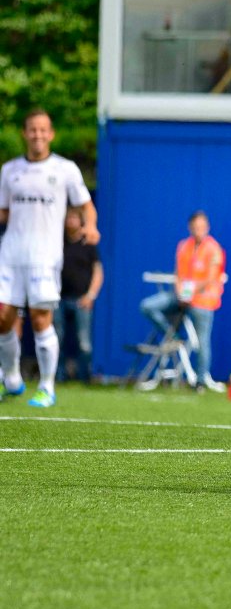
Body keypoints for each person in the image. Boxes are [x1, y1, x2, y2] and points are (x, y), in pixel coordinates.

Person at [0, 109, 99, 408]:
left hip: (44, 255)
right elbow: (4, 212)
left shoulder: (65, 169)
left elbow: (86, 206)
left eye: (43, 130)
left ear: (51, 134)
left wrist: (91, 226)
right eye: (32, 129)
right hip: (11, 252)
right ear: (24, 133)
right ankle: (13, 378)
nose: (38, 135)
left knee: (40, 318)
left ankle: (46, 386)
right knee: (3, 318)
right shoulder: (10, 170)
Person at [140, 211, 226, 393]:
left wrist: (190, 294)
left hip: (203, 301)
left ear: (207, 228)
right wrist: (181, 292)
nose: (198, 231)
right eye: (195, 227)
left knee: (202, 341)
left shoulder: (214, 249)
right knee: (148, 306)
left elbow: (210, 278)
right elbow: (179, 274)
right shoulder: (183, 246)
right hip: (180, 297)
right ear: (190, 228)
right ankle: (174, 337)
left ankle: (201, 380)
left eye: (201, 227)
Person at [54, 209, 103, 382]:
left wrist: (90, 295)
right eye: (68, 218)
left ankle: (85, 379)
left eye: (75, 218)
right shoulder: (57, 242)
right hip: (58, 299)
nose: (71, 222)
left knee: (84, 343)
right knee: (55, 340)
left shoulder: (87, 244)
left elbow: (98, 271)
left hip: (81, 299)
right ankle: (57, 377)